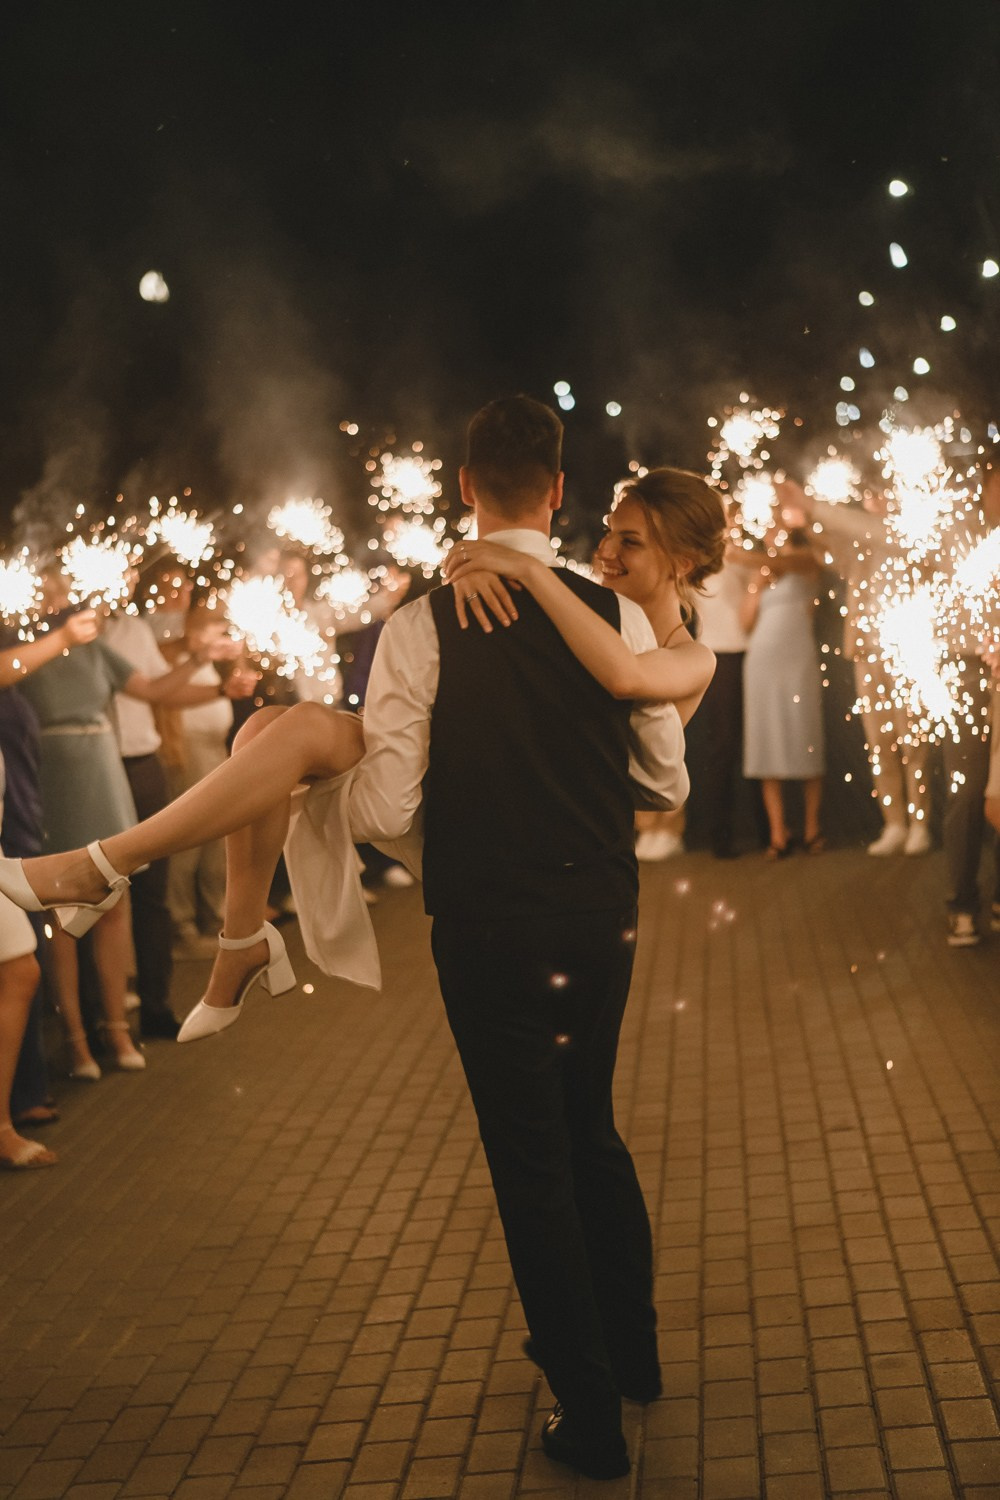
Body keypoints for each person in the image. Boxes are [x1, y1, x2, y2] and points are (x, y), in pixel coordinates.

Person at [0, 400, 723, 1479]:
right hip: (597, 912)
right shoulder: (612, 612)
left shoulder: (427, 621)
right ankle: (630, 1353)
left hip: (488, 919)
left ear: (466, 488)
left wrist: (392, 773)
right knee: (589, 1131)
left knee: (532, 1161)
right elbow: (659, 779)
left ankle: (588, 1409)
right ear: (560, 494)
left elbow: (387, 810)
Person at [741, 519, 826, 856]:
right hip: (762, 662)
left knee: (806, 736)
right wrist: (757, 586)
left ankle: (812, 828)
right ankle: (778, 832)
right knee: (767, 741)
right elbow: (745, 622)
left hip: (798, 660)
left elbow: (789, 564)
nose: (770, 529)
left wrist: (746, 559)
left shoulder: (806, 559)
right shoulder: (758, 571)